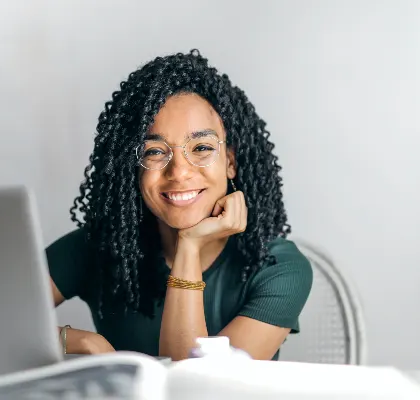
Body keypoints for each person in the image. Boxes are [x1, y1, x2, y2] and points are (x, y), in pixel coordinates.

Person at [47, 49, 313, 361]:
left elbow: (197, 388)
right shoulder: (99, 247)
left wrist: (189, 245)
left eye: (201, 147)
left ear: (230, 162)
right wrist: (78, 341)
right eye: (154, 152)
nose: (180, 171)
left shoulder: (278, 268)